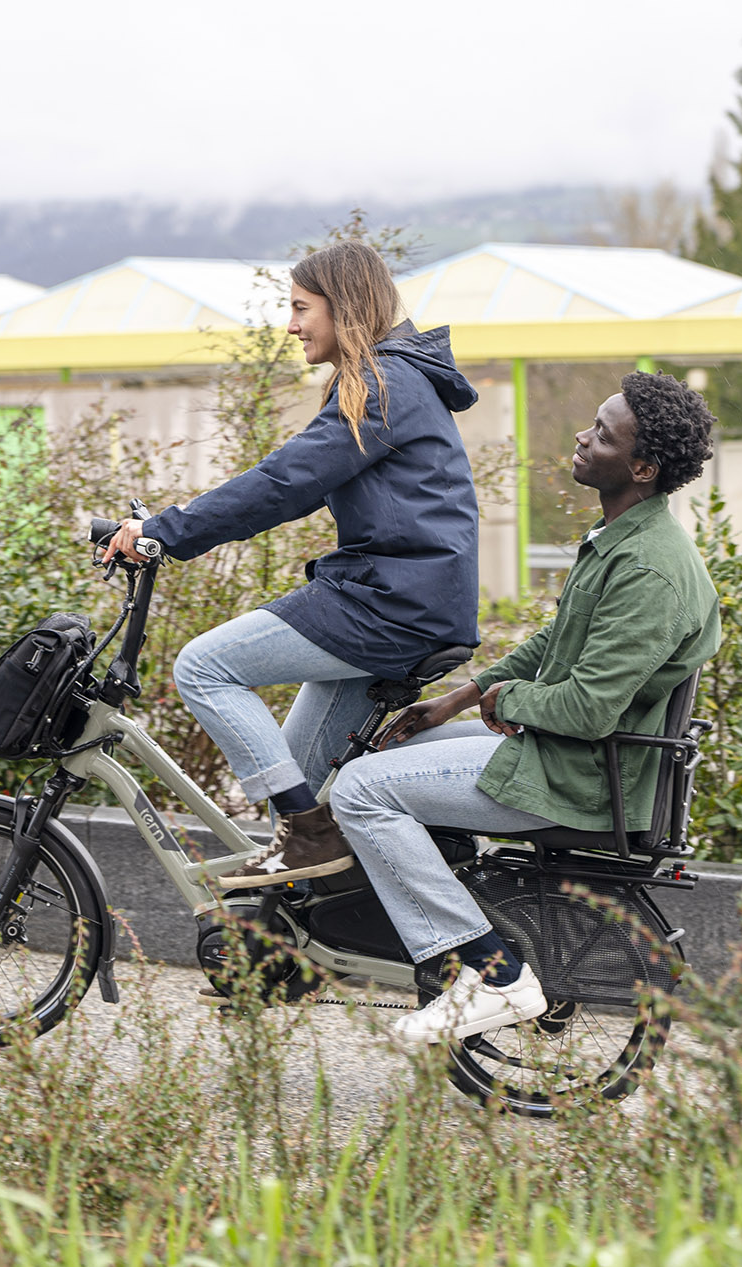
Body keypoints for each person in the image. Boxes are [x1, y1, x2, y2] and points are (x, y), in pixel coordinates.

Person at [328, 371, 721, 1048]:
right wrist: (462, 694)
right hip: (563, 759)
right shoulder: (626, 539)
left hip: (575, 778)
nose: (581, 436)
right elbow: (554, 643)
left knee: (362, 791)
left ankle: (491, 971)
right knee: (381, 757)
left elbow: (591, 705)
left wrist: (507, 699)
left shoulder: (651, 568)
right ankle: (451, 923)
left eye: (602, 432)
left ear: (643, 467)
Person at [101, 242, 480, 881]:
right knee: (300, 779)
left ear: (346, 306)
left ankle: (311, 838)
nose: (291, 325)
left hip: (391, 604)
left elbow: (285, 482)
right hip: (407, 599)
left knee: (203, 666)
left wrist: (162, 532)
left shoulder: (385, 384)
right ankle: (292, 941)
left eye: (302, 308)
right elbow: (292, 483)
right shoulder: (391, 379)